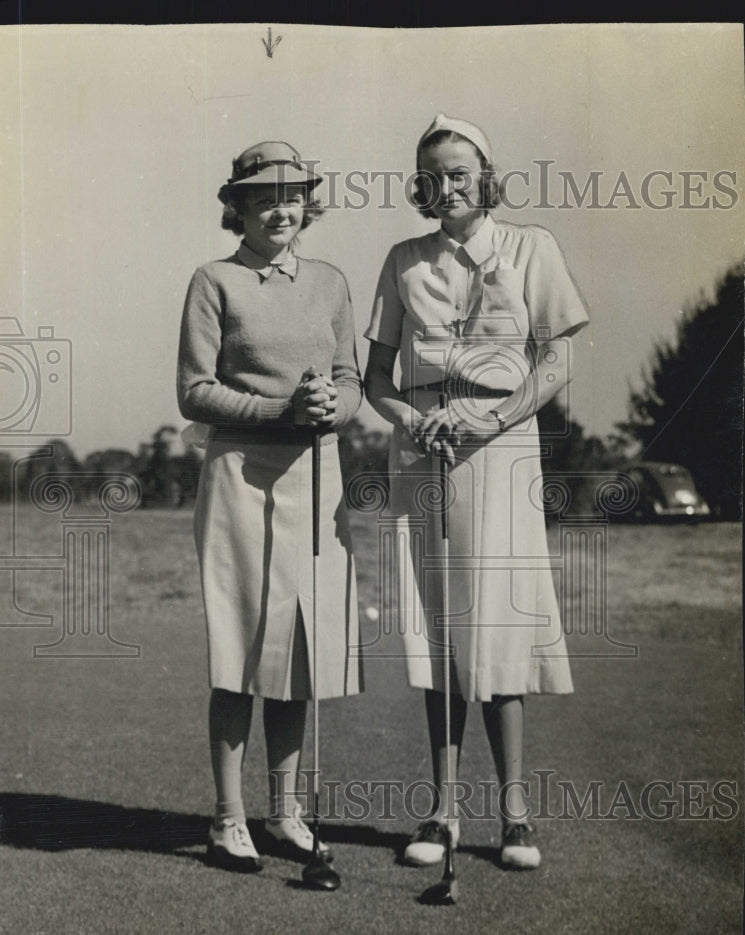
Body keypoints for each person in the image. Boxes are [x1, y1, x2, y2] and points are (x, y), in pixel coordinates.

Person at [363, 114, 589, 869]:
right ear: (419, 186)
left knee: (498, 624)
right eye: (432, 175)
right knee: (439, 630)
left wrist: (490, 418)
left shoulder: (532, 248)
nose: (447, 185)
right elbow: (375, 379)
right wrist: (411, 421)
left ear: (485, 176)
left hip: (503, 444)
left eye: (460, 171)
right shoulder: (402, 259)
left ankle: (515, 815)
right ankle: (440, 813)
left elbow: (555, 363)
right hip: (425, 449)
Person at [177, 140, 363, 872]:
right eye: (261, 198)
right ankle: (228, 819)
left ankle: (283, 814)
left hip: (316, 476)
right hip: (239, 474)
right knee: (241, 648)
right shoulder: (212, 280)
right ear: (238, 209)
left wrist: (329, 406)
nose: (278, 208)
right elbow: (194, 391)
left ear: (306, 204)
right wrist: (280, 410)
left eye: (290, 195)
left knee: (300, 649)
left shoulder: (330, 280)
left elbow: (350, 378)